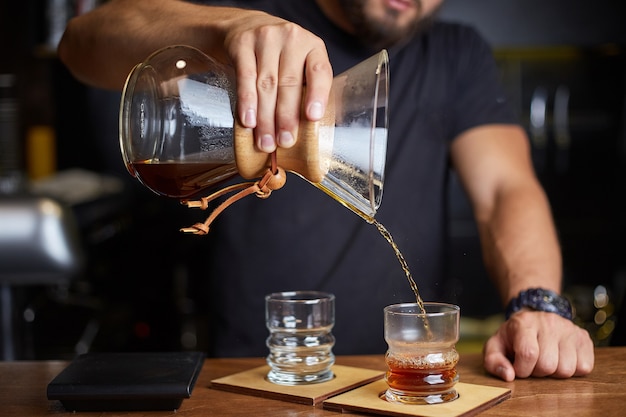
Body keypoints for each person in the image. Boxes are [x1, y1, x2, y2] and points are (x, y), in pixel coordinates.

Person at [58, 0, 595, 381]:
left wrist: (538, 303)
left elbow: (505, 188)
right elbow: (80, 43)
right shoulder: (253, 27)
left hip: (394, 377)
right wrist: (230, 26)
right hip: (254, 379)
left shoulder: (455, 53)